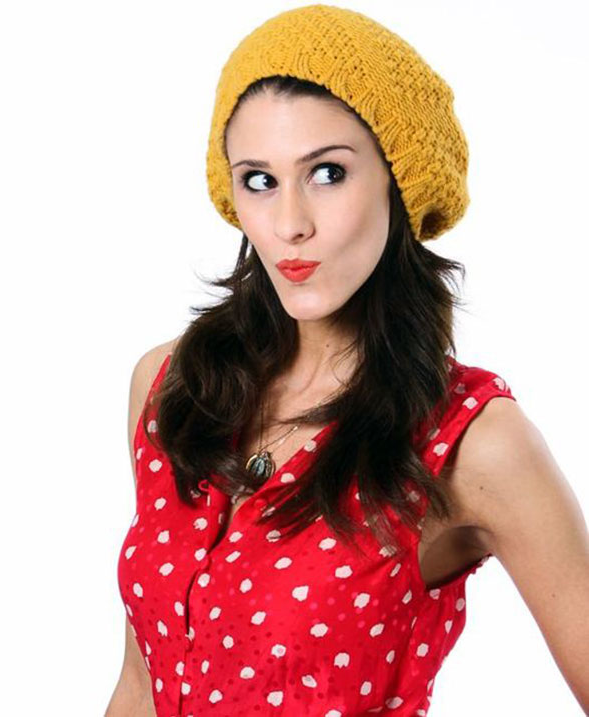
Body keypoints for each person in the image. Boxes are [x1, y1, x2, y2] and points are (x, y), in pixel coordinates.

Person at [106, 5, 589, 716]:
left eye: (327, 172)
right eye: (259, 180)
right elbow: (141, 683)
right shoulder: (171, 387)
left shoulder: (472, 442)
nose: (290, 223)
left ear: (399, 179)